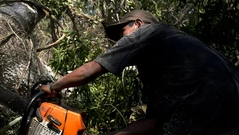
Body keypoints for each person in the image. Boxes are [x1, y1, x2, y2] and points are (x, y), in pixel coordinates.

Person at [40, 10, 239, 135]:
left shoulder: (148, 33)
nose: (120, 41)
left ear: (138, 24)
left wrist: (52, 87)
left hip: (207, 105)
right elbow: (153, 122)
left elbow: (90, 70)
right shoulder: (167, 64)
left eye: (122, 33)